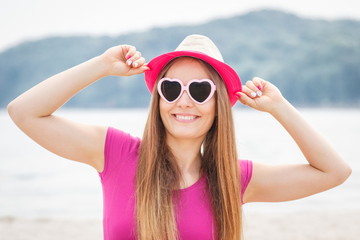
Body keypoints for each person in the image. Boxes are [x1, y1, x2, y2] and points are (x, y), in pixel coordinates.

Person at [7, 34, 351, 240]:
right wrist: (100, 65)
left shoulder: (234, 178)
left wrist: (279, 107)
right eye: (171, 88)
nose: (183, 100)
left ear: (220, 104)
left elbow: (334, 172)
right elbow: (24, 112)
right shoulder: (115, 153)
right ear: (158, 99)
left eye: (200, 90)